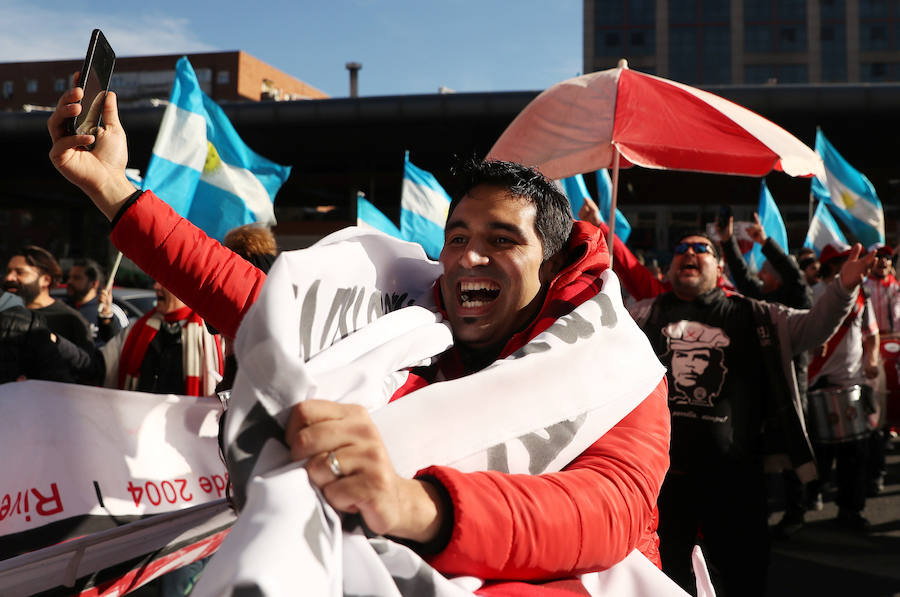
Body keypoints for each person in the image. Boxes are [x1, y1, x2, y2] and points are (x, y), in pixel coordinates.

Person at [48, 86, 671, 592]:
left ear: (553, 260)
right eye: (457, 237)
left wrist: (412, 503)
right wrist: (111, 189)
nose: (468, 258)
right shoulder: (412, 315)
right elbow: (249, 297)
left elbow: (604, 510)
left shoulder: (617, 365)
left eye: (502, 240)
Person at [627, 233, 868, 596]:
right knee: (664, 580)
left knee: (745, 577)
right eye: (680, 248)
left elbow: (815, 325)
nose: (687, 253)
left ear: (721, 265)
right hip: (662, 485)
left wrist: (844, 285)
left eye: (699, 248)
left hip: (735, 482)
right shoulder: (642, 315)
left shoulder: (754, 315)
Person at [716, 213, 814, 537]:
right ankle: (764, 508)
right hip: (761, 383)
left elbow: (795, 275)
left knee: (791, 444)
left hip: (789, 383)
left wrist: (765, 243)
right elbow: (743, 281)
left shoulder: (797, 297)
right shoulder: (760, 299)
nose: (761, 272)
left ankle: (797, 510)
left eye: (767, 269)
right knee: (763, 448)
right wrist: (727, 241)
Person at [806, 244, 879, 531]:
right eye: (841, 261)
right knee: (817, 455)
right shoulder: (812, 294)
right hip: (815, 382)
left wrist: (872, 361)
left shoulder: (862, 296)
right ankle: (808, 499)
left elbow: (871, 336)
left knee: (855, 455)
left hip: (851, 382)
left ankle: (850, 510)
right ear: (829, 266)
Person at [862, 243, 900, 496]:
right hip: (871, 358)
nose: (883, 261)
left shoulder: (897, 288)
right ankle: (874, 474)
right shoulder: (860, 288)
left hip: (897, 359)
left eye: (887, 257)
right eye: (878, 257)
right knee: (875, 417)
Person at [4, 245, 93, 351]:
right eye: (8, 271)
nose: (9, 277)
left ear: (46, 280)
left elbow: (87, 364)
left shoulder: (70, 319)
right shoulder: (6, 312)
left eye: (20, 272)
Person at [65, 258, 128, 346]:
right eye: (69, 277)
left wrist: (106, 315)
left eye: (77, 278)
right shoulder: (63, 307)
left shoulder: (109, 310)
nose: (69, 282)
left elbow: (117, 343)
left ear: (94, 283)